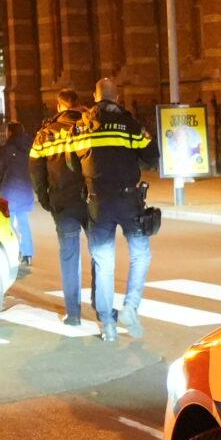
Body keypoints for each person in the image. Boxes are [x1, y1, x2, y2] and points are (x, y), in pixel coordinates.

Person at [77, 77, 154, 342]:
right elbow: (152, 155)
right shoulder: (130, 124)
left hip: (98, 201)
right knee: (141, 254)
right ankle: (130, 307)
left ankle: (107, 326)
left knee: (103, 262)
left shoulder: (82, 126)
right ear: (118, 97)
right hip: (128, 199)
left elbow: (73, 162)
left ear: (95, 96)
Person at [30, 90, 92, 330]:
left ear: (59, 106)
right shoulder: (89, 126)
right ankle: (103, 307)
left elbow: (35, 169)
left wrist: (44, 196)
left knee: (69, 256)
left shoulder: (45, 133)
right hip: (90, 199)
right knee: (99, 254)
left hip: (62, 201)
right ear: (77, 104)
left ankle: (73, 314)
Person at [0, 118, 37, 274]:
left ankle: (11, 252)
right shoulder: (31, 147)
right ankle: (28, 254)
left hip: (8, 190)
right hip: (26, 189)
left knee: (8, 223)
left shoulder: (6, 149)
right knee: (24, 222)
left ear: (10, 132)